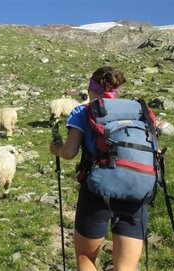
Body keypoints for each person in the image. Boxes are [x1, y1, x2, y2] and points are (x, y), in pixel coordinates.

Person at [50, 66, 147, 271]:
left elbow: (69, 152)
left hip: (97, 190)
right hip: (137, 188)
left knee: (85, 257)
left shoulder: (82, 111)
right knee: (126, 267)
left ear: (91, 88)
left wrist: (56, 148)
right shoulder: (138, 110)